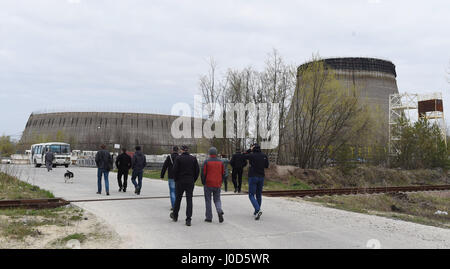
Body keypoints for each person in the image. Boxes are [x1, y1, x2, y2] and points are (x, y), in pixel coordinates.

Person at [170, 145, 199, 227]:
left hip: (180, 181)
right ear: (188, 150)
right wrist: (193, 179)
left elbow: (174, 170)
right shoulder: (193, 158)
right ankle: (188, 219)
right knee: (189, 200)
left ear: (181, 150)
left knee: (178, 199)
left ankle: (175, 216)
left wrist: (176, 180)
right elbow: (197, 171)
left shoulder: (178, 158)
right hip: (190, 181)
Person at [243, 143, 269, 220]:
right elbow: (266, 166)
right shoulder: (264, 156)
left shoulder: (251, 155)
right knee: (258, 194)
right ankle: (256, 212)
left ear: (253, 148)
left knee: (251, 195)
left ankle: (258, 210)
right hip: (261, 177)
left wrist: (249, 150)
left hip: (253, 176)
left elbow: (243, 155)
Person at [201, 147, 225, 223]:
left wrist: (203, 182)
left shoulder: (206, 162)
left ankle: (209, 217)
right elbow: (223, 173)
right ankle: (219, 210)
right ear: (216, 153)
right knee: (217, 199)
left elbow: (203, 173)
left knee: (208, 200)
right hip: (217, 183)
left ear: (209, 153)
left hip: (208, 183)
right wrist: (221, 181)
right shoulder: (221, 162)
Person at [160, 146, 179, 211]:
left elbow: (164, 166)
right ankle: (176, 204)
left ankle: (174, 205)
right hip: (178, 177)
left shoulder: (169, 157)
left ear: (172, 150)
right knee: (177, 191)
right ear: (178, 150)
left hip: (171, 176)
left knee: (172, 191)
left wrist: (162, 175)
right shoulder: (180, 157)